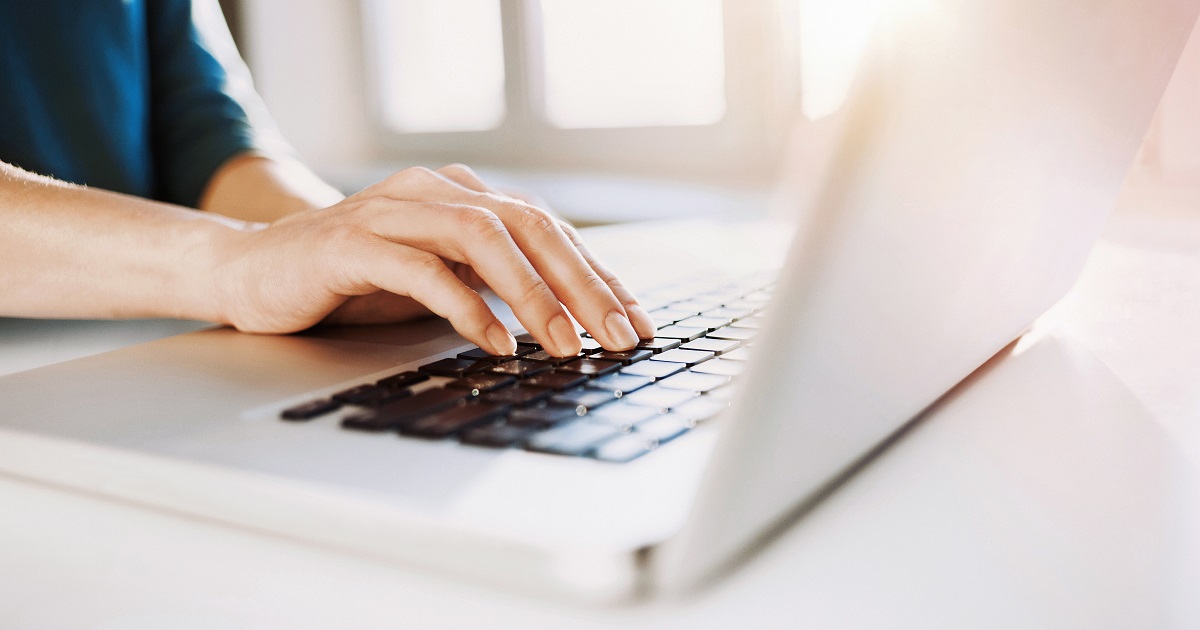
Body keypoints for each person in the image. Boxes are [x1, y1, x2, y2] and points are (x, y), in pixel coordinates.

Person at [0, 0, 657, 358]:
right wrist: (231, 262)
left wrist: (351, 243)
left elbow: (211, 139)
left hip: (145, 356)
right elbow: (233, 252)